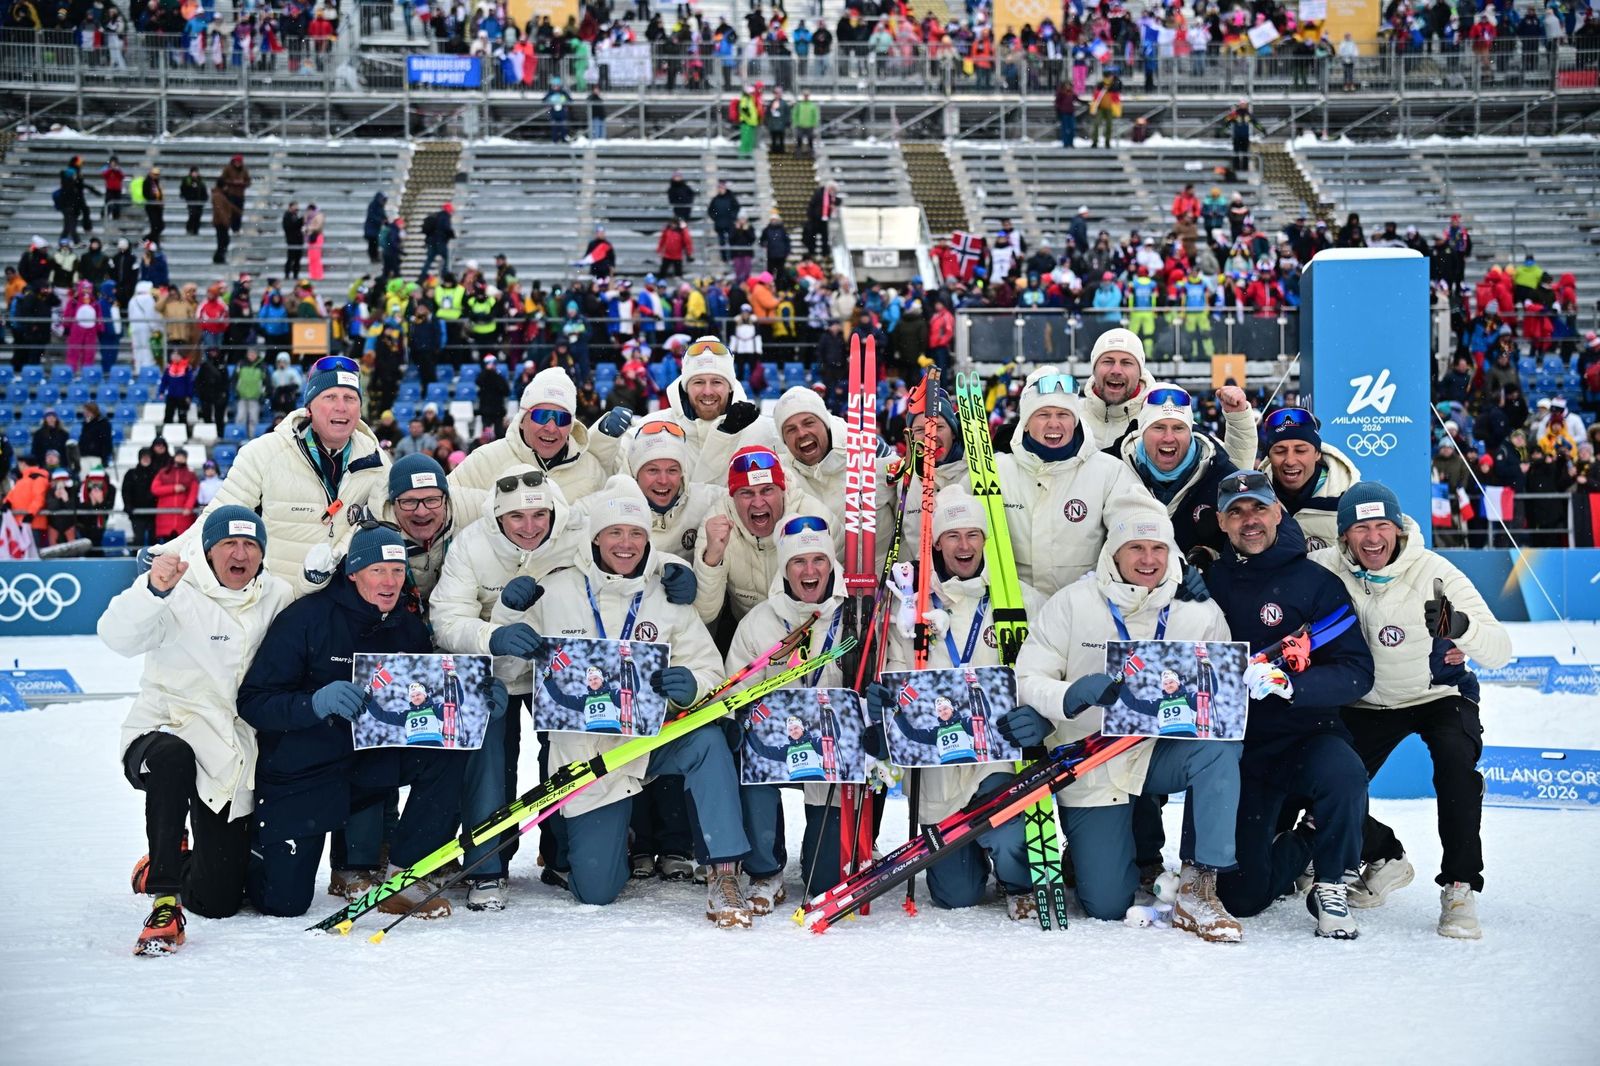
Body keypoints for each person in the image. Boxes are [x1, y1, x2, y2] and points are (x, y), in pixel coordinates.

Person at [492, 477, 755, 926]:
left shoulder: (667, 594)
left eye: (636, 533)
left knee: (709, 742)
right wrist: (508, 620)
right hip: (588, 755)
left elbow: (714, 673)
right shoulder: (555, 591)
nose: (627, 543)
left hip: (652, 740)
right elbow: (511, 671)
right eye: (615, 532)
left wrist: (692, 684)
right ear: (595, 538)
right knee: (596, 893)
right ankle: (610, 842)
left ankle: (724, 873)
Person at [1015, 494, 1244, 941]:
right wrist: (1068, 696)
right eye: (1135, 548)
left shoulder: (1199, 611)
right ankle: (1087, 854)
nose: (1148, 559)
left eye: (1158, 548)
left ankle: (1201, 885)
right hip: (1090, 756)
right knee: (1106, 904)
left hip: (1159, 752)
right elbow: (1028, 677)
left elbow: (1220, 697)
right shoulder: (1072, 603)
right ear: (1112, 554)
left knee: (1219, 748)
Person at [236, 525, 491, 918]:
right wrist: (314, 704)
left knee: (450, 748)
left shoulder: (405, 624)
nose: (389, 582)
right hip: (303, 769)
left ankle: (405, 875)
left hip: (367, 763)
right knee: (283, 902)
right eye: (377, 570)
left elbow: (426, 695)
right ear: (353, 572)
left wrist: (476, 696)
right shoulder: (306, 618)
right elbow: (253, 702)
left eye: (397, 570)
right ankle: (224, 857)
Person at [1309, 483, 1511, 938]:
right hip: (1364, 700)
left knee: (1457, 767)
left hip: (1435, 694)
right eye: (1361, 526)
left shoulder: (1434, 572)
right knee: (1321, 782)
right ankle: (1385, 855)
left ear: (1399, 530)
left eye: (1383, 525)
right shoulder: (1324, 569)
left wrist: (1461, 628)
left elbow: (1500, 649)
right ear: (1343, 536)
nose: (1373, 536)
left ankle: (1460, 888)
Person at [99, 507, 293, 954]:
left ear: (263, 554)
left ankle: (178, 863)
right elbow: (115, 636)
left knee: (220, 899)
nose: (240, 554)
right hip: (161, 732)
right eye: (229, 544)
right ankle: (165, 898)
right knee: (173, 759)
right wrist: (152, 591)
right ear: (208, 550)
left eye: (250, 545)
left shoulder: (277, 594)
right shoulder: (177, 591)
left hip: (230, 753)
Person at [861, 488, 1048, 918]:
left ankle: (1015, 877)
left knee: (1008, 832)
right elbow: (894, 671)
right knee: (955, 895)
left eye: (972, 535)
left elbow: (1043, 671)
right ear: (936, 543)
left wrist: (1039, 717)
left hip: (994, 756)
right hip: (937, 763)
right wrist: (886, 709)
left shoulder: (1018, 599)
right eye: (952, 536)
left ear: (985, 540)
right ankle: (972, 858)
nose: (964, 546)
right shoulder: (908, 606)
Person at [1205, 471, 1376, 938]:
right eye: (1236, 513)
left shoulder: (1316, 582)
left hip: (1308, 733)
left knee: (1345, 774)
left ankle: (1332, 881)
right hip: (1241, 753)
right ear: (1221, 522)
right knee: (1242, 897)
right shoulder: (1207, 584)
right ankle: (1306, 837)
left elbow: (1357, 671)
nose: (1249, 521)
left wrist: (1292, 686)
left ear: (1278, 512)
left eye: (1259, 508)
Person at [432, 466, 589, 907]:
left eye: (539, 515)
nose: (529, 527)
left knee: (565, 755)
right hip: (493, 668)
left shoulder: (576, 537)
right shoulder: (472, 544)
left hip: (553, 670)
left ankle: (563, 853)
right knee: (489, 763)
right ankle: (486, 866)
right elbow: (446, 618)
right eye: (516, 518)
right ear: (498, 517)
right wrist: (490, 636)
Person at [155, 355, 390, 598]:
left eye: (350, 398)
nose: (341, 406)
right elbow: (218, 516)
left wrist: (335, 557)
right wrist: (169, 553)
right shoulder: (263, 452)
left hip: (344, 599)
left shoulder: (377, 460)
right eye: (330, 397)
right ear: (309, 408)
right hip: (276, 600)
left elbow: (385, 523)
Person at [726, 516, 851, 914]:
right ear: (784, 569)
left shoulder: (856, 615)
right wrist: (741, 721)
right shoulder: (759, 622)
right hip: (773, 747)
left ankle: (826, 859)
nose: (810, 570)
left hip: (831, 752)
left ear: (832, 564)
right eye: (798, 562)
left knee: (825, 881)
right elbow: (735, 690)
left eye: (819, 560)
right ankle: (765, 871)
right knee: (748, 768)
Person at [996, 367, 1142, 597]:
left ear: (1075, 421)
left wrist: (1174, 570)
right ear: (1025, 423)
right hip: (1012, 615)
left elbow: (1141, 528)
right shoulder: (997, 471)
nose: (1054, 424)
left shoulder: (1109, 472)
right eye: (1043, 414)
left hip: (1084, 613)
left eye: (1063, 414)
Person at [589, 336, 779, 486]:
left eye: (716, 382)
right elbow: (602, 472)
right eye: (698, 382)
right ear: (685, 387)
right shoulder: (654, 426)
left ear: (730, 387)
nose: (707, 391)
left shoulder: (761, 430)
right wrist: (604, 437)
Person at [692, 445, 839, 625]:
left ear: (782, 490)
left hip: (814, 628)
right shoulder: (716, 523)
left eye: (767, 490)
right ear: (732, 497)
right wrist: (712, 559)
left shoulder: (816, 517)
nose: (758, 503)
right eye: (746, 493)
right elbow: (703, 615)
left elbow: (845, 593)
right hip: (748, 633)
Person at [1076, 329, 1257, 468]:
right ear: (1094, 368)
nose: (1116, 370)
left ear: (1140, 372)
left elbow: (1234, 470)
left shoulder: (1163, 410)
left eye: (1126, 362)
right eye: (1107, 361)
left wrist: (1238, 418)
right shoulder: (1071, 417)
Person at [449, 367, 607, 523]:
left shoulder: (591, 470)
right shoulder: (485, 460)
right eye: (541, 416)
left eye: (562, 419)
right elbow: (441, 507)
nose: (551, 428)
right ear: (522, 420)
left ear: (572, 425)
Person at [1120, 383, 1239, 565]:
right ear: (1142, 432)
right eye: (1158, 427)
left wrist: (1212, 560)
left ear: (1190, 432)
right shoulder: (1116, 469)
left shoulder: (1218, 473)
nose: (1168, 437)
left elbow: (1256, 541)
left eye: (1178, 428)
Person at [1258, 407, 1362, 551]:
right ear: (1269, 456)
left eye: (1300, 450)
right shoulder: (1256, 496)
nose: (1290, 460)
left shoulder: (1352, 497)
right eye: (1280, 451)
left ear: (1317, 453)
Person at [151, 447, 200, 542]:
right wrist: (173, 488)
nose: (181, 458)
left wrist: (188, 507)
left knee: (182, 545)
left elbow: (193, 492)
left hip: (183, 517)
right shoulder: (163, 472)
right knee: (167, 546)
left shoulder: (191, 474)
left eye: (183, 457)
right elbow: (155, 489)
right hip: (166, 515)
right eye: (179, 456)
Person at [419, 203, 455, 281]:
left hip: (431, 242)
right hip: (440, 242)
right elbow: (446, 228)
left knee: (429, 259)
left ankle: (422, 276)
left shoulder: (436, 216)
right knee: (446, 257)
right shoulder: (445, 217)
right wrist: (452, 235)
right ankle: (444, 274)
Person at [707, 180, 741, 263]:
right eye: (719, 188)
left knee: (732, 240)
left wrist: (732, 217)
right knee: (721, 242)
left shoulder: (731, 197)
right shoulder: (715, 199)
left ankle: (733, 257)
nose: (721, 189)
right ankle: (724, 259)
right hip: (719, 224)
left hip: (729, 223)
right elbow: (710, 210)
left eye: (722, 188)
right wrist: (715, 217)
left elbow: (736, 207)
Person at [804, 181, 839, 260]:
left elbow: (838, 201)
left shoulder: (832, 196)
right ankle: (812, 252)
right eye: (832, 189)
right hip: (815, 219)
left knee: (825, 237)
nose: (832, 190)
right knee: (813, 237)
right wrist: (811, 216)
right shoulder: (819, 193)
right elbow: (812, 205)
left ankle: (825, 253)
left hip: (824, 220)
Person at [218, 154, 250, 231]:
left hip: (240, 194)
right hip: (231, 194)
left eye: (239, 162)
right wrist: (232, 182)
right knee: (231, 211)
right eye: (236, 162)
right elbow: (222, 180)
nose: (237, 163)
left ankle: (237, 228)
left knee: (239, 212)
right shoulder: (228, 169)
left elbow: (248, 181)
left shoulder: (244, 170)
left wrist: (242, 183)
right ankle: (231, 227)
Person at [179, 166, 207, 236]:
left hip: (199, 201)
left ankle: (195, 230)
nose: (195, 174)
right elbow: (183, 189)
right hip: (191, 201)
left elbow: (203, 190)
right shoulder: (187, 180)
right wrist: (186, 196)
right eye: (193, 172)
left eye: (196, 172)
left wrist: (204, 198)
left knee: (198, 215)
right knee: (192, 215)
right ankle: (189, 229)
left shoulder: (200, 180)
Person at [282, 201, 305, 278]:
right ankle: (287, 274)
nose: (296, 209)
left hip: (298, 241)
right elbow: (292, 226)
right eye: (295, 206)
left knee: (297, 259)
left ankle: (295, 274)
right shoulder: (287, 216)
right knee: (291, 258)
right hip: (292, 240)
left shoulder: (294, 215)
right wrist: (301, 220)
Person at [363, 192, 387, 264]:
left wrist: (386, 221)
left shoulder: (380, 207)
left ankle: (375, 257)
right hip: (370, 229)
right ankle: (373, 257)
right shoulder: (373, 205)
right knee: (372, 244)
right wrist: (380, 221)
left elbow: (383, 216)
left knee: (375, 244)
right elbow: (371, 216)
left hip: (375, 230)